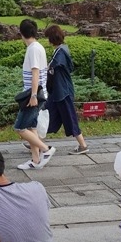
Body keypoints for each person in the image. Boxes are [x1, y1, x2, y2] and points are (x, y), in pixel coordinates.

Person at [16, 19, 54, 170]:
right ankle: (35, 160)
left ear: (21, 33)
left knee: (20, 127)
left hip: (34, 96)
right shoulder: (37, 47)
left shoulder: (33, 49)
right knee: (32, 127)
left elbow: (35, 73)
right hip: (37, 93)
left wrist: (32, 95)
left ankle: (46, 149)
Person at [44, 25, 89, 155]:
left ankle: (83, 145)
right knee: (47, 116)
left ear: (52, 38)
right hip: (56, 92)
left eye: (48, 37)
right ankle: (36, 142)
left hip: (63, 92)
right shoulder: (61, 50)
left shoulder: (60, 52)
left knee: (70, 118)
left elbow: (54, 65)